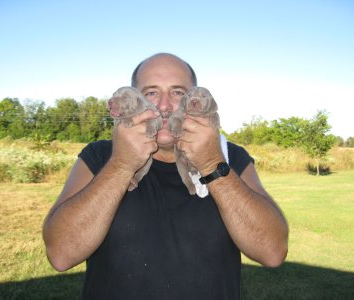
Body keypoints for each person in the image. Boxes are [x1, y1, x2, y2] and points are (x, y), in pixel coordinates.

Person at [42, 53, 289, 299]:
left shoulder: (228, 157)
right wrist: (121, 165)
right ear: (134, 98)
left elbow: (272, 252)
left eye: (178, 92)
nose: (163, 106)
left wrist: (211, 163)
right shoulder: (100, 155)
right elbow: (61, 254)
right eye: (151, 92)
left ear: (195, 98)